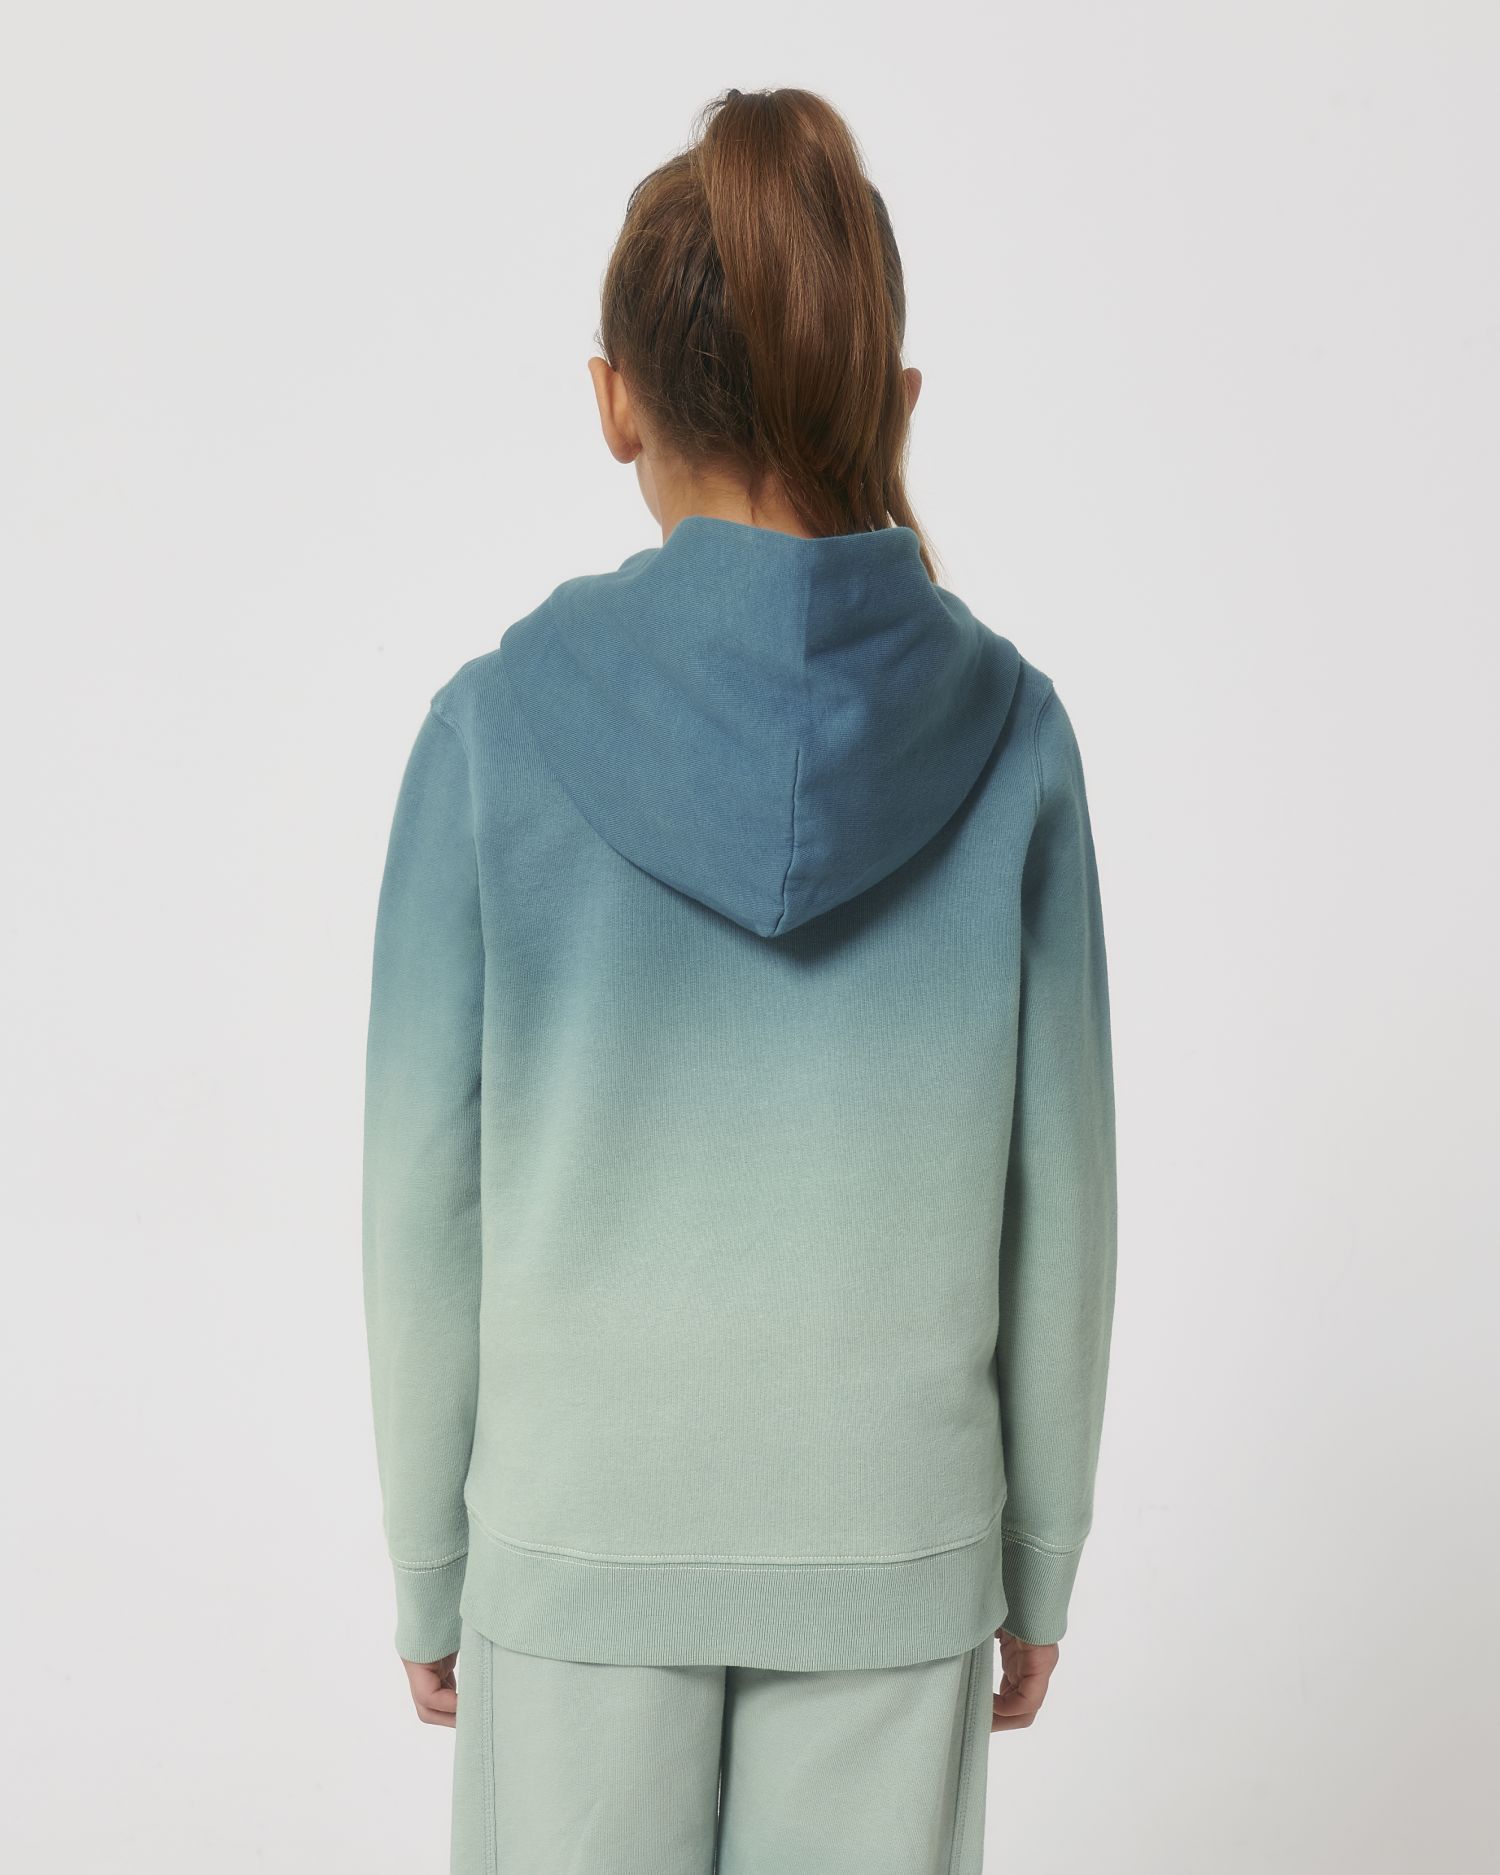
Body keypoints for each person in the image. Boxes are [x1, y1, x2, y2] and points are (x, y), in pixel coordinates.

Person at [362, 84, 1118, 1875]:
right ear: (893, 401)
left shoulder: (489, 736)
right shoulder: (1012, 737)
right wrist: (1036, 1556)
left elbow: (418, 1192)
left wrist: (431, 1560)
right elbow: (1066, 1197)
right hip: (891, 1545)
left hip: (576, 1544)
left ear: (613, 397)